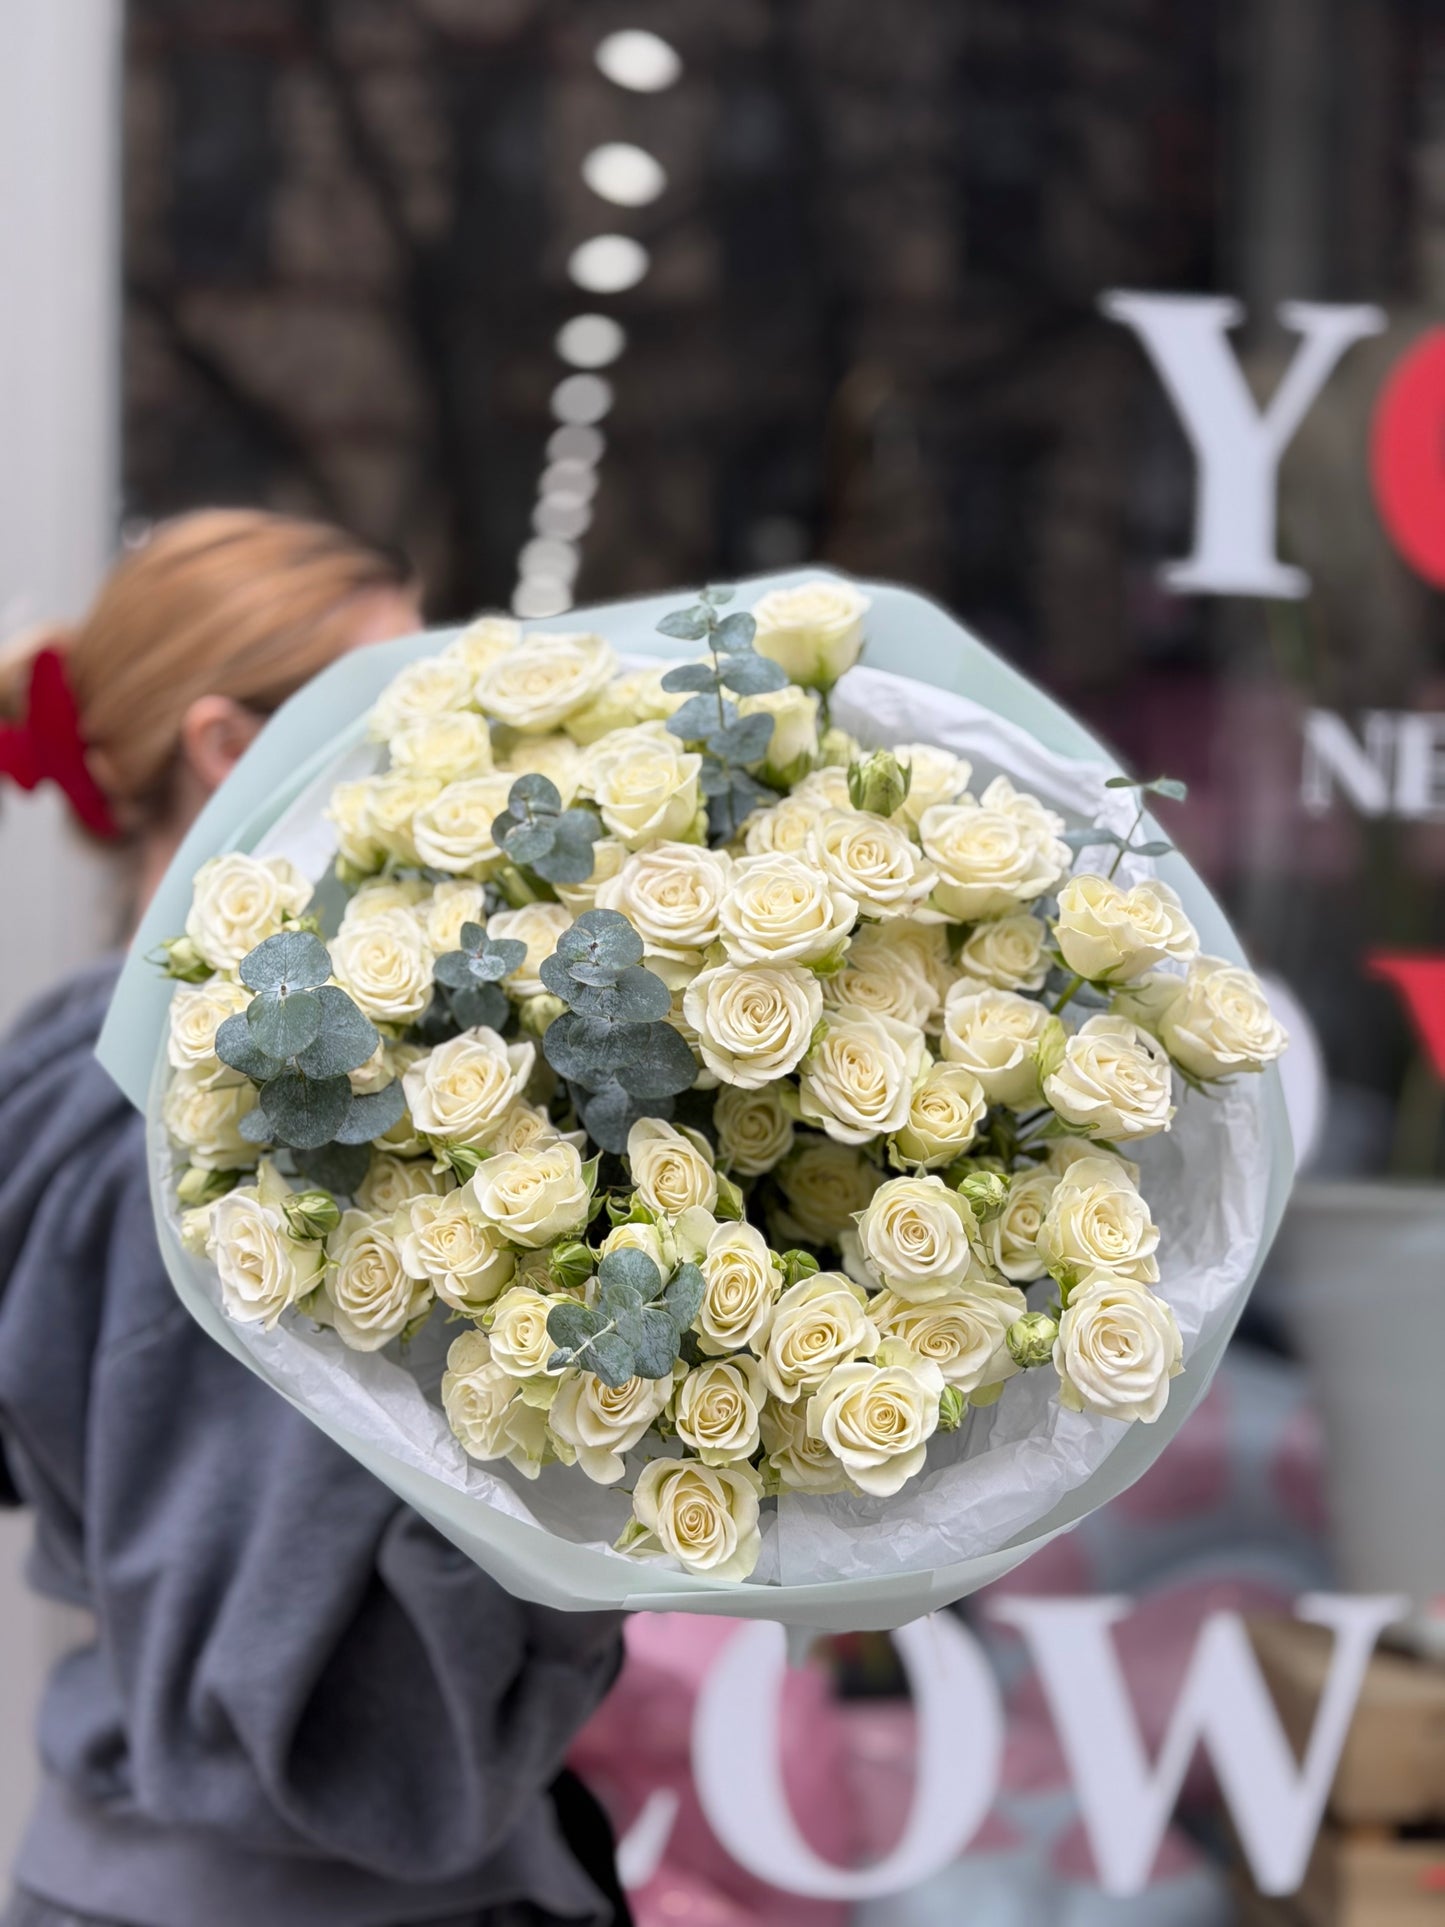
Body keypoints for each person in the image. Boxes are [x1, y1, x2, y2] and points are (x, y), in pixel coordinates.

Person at [0, 511, 629, 1927]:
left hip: (115, 1872)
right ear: (229, 748)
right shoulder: (237, 1129)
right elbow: (349, 1726)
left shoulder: (47, 1078)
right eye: (395, 705)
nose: (446, 755)